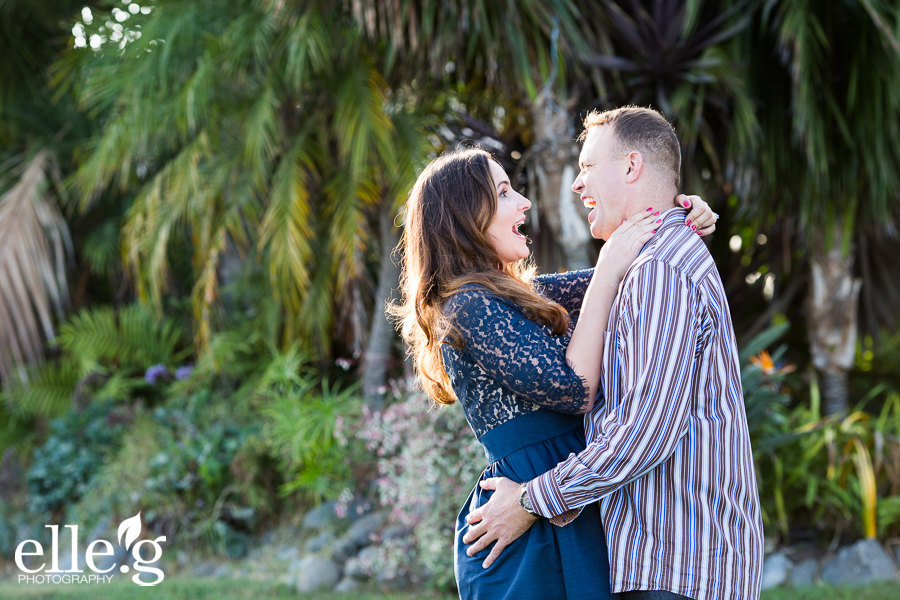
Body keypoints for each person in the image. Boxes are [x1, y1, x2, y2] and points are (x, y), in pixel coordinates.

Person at [462, 107, 764, 600]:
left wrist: (530, 500)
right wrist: (680, 214)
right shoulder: (651, 262)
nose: (578, 184)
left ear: (630, 167)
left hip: (679, 568)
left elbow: (645, 432)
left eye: (587, 166)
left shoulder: (660, 272)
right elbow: (532, 299)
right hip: (672, 564)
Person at [392, 144, 718, 599]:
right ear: (466, 216)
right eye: (504, 193)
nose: (524, 203)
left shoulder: (517, 295)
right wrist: (608, 269)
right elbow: (576, 390)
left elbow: (635, 269)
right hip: (529, 538)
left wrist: (676, 217)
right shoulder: (467, 305)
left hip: (565, 504)